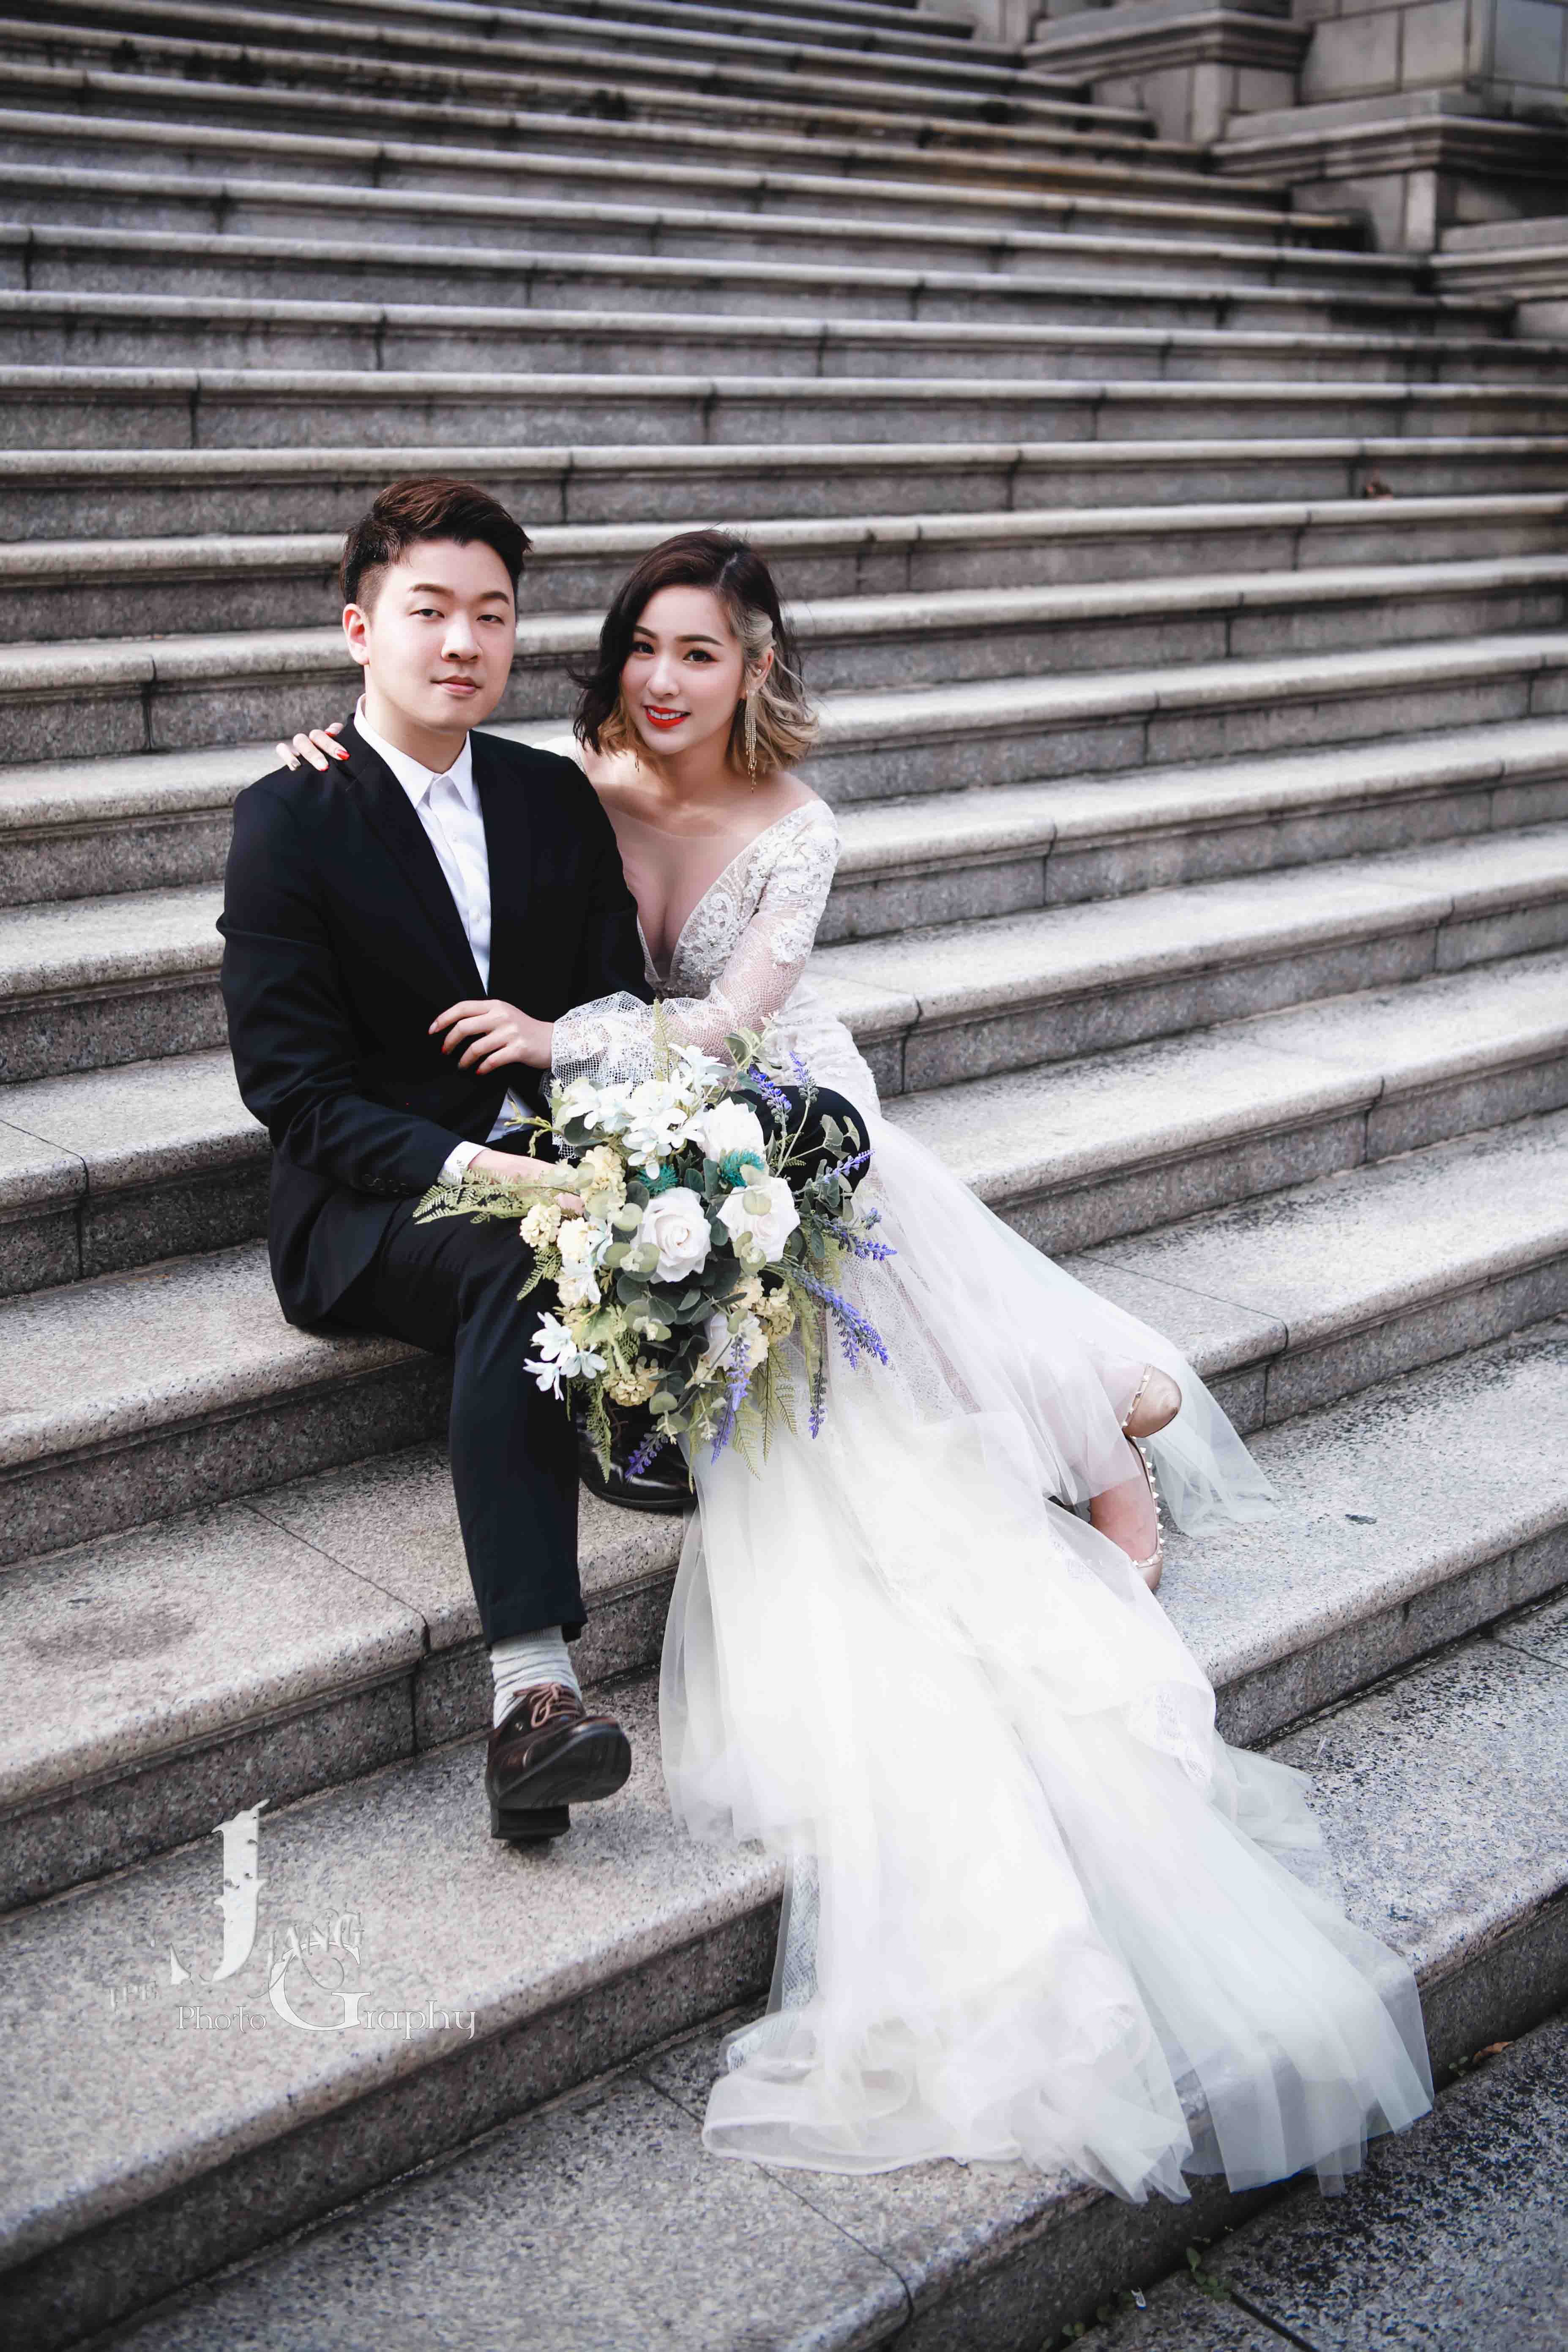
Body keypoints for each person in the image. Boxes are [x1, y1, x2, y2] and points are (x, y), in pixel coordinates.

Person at [278, 528, 1432, 2207]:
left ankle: (1091, 1444)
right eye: (647, 648)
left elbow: (711, 1012)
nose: (666, 678)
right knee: (739, 1270)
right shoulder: (532, 781)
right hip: (581, 1110)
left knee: (840, 1241)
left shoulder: (759, 824)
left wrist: (570, 1053)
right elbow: (404, 832)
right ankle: (1064, 1402)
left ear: (754, 667)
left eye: (703, 652)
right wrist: (344, 752)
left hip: (750, 1074)